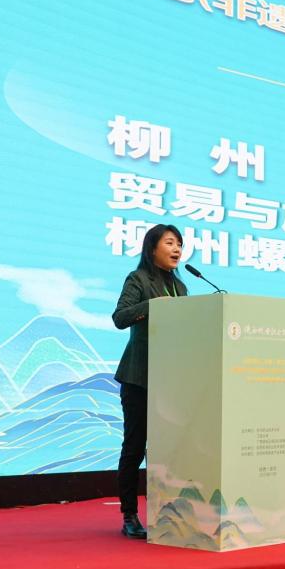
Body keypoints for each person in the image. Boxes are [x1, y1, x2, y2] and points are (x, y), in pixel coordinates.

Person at [112, 224, 188, 539]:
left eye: (179, 244)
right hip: (139, 378)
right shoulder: (138, 279)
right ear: (152, 247)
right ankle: (129, 514)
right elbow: (120, 317)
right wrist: (154, 306)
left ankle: (169, 512)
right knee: (135, 447)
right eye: (170, 242)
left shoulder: (180, 287)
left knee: (171, 449)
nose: (177, 249)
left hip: (171, 380)